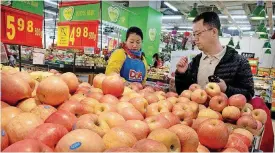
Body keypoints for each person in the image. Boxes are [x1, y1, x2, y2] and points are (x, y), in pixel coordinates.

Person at [175, 12, 254, 101]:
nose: (195, 38)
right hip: (196, 113)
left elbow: (249, 94)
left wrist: (226, 89)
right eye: (194, 34)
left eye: (198, 33)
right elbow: (184, 93)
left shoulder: (239, 62)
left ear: (214, 32)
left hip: (225, 114)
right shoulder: (195, 62)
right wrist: (182, 74)